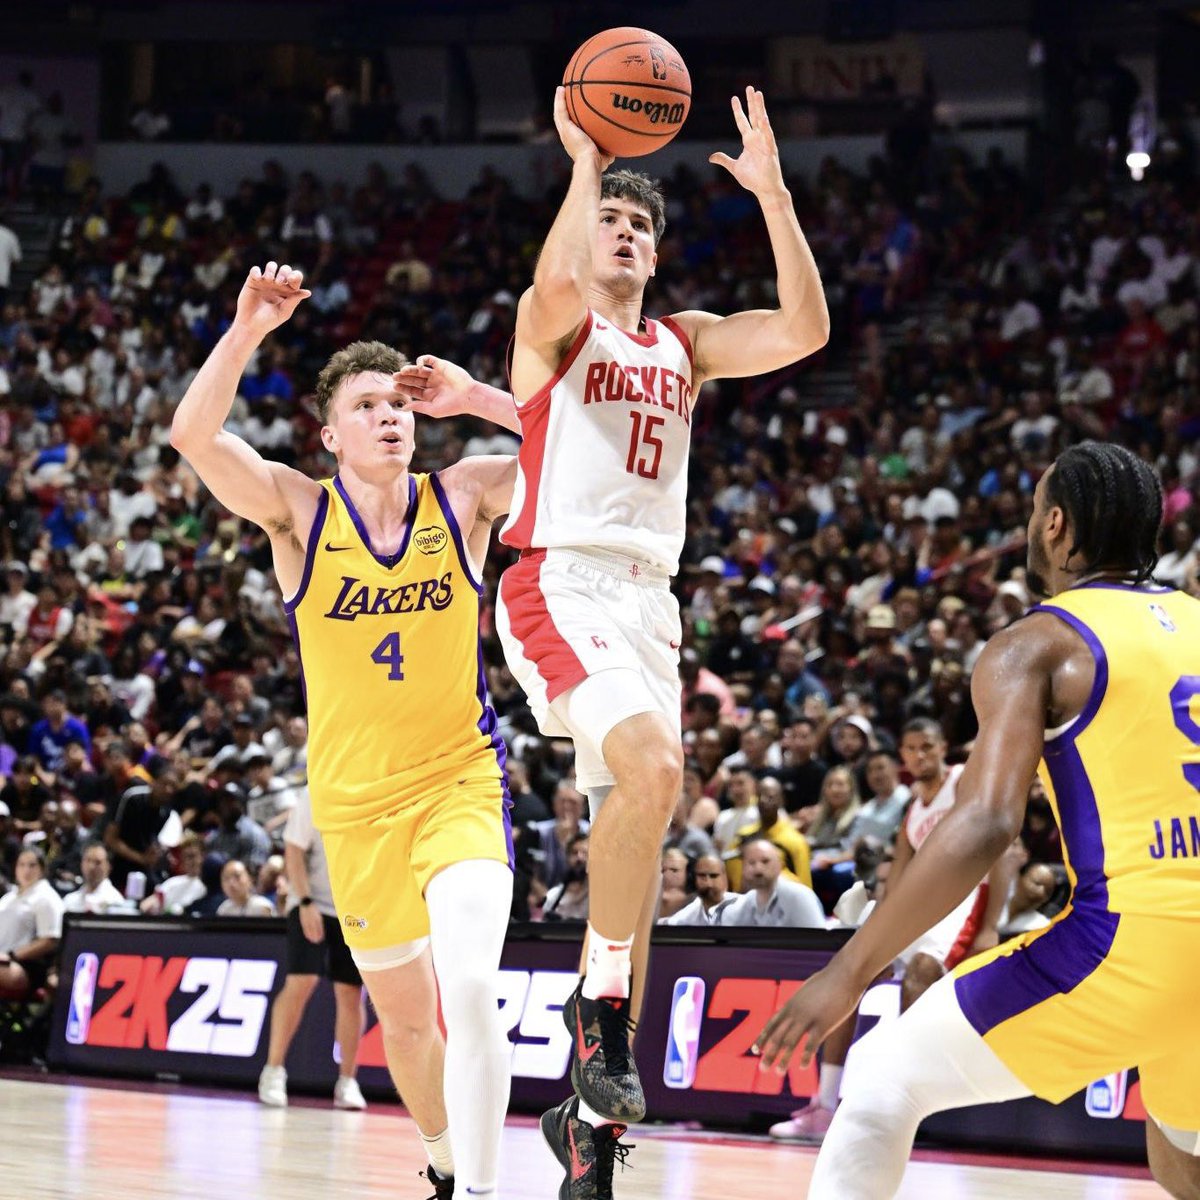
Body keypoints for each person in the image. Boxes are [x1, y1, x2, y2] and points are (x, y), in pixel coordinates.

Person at [394, 85, 827, 1196]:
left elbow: (807, 330)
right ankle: (602, 1012)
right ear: (584, 232)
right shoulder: (555, 332)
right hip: (557, 581)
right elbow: (547, 290)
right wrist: (582, 166)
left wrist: (775, 197)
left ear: (658, 252)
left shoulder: (684, 343)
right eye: (608, 223)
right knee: (655, 770)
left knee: (646, 808)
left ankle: (588, 1123)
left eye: (641, 225)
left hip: (649, 602)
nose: (623, 234)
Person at [755, 443, 1200, 1200]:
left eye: (1033, 511)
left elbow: (988, 821)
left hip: (1133, 943)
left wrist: (848, 971)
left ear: (1055, 525)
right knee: (1182, 1155)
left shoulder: (1039, 642)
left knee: (881, 1083)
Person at [171, 262, 517, 1200]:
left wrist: (480, 397)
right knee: (405, 1024)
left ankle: (486, 1186)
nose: (391, 416)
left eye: (401, 400)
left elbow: (582, 445)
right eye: (367, 404)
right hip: (355, 810)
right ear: (331, 433)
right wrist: (246, 330)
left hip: (459, 779)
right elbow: (192, 437)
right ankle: (448, 1160)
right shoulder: (298, 508)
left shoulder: (470, 491)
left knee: (475, 983)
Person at [259, 782, 367, 1111]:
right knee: (302, 980)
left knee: (351, 991)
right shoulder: (319, 790)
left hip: (356, 909)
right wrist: (304, 901)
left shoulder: (379, 789)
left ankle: (347, 1081)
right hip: (310, 900)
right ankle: (273, 1070)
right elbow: (292, 850)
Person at [0, 847, 63, 997]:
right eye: (21, 865)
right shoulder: (8, 897)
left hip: (26, 967)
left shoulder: (47, 897)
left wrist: (12, 955)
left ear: (42, 869)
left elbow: (49, 941)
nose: (26, 870)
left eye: (32, 865)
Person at [723, 839, 825, 928]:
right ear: (743, 869)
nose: (758, 868)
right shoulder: (747, 902)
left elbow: (821, 942)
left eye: (765, 861)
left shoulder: (799, 895)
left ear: (780, 865)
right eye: (751, 863)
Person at [661, 853, 736, 926]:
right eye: (702, 876)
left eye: (714, 876)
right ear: (693, 879)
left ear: (725, 878)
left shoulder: (741, 904)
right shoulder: (689, 914)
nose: (708, 883)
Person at [62, 843, 124, 914]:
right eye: (88, 860)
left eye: (98, 862)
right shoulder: (70, 900)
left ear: (108, 866)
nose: (91, 867)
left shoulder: (115, 901)